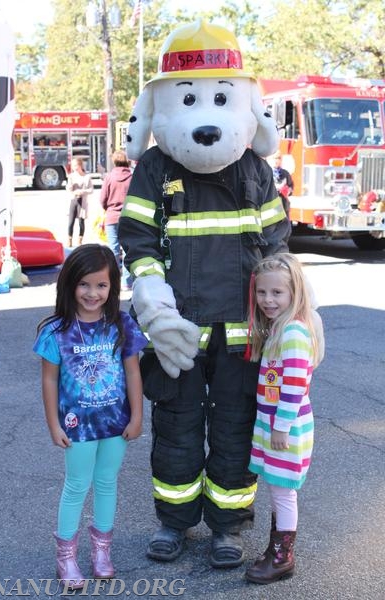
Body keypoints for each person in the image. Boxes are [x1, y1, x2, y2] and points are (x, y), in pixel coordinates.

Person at [119, 20, 291, 568]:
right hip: (179, 330)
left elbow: (278, 246)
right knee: (176, 427)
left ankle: (228, 526)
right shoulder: (154, 167)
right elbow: (137, 237)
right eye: (190, 98)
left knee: (237, 427)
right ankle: (174, 521)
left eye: (220, 97)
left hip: (243, 333)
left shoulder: (255, 170)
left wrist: (287, 316)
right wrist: (153, 301)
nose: (207, 118)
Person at [33, 244, 148, 590]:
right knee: (76, 485)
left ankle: (101, 552)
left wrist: (137, 416)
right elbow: (49, 379)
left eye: (101, 285)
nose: (92, 293)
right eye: (84, 284)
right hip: (76, 427)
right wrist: (53, 424)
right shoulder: (56, 331)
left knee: (107, 482)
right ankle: (66, 556)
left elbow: (132, 373)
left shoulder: (121, 324)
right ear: (69, 284)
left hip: (115, 423)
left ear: (113, 286)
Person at [244, 253, 323, 584]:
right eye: (262, 293)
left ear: (295, 294)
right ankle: (275, 549)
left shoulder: (292, 332)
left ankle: (282, 557)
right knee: (278, 491)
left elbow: (292, 386)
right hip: (277, 425)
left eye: (277, 293)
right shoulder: (280, 328)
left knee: (283, 492)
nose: (267, 300)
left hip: (285, 428)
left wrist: (280, 428)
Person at [99, 150, 133, 290]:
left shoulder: (109, 177)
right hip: (128, 217)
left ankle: (113, 282)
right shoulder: (132, 177)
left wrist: (108, 208)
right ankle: (127, 282)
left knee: (113, 251)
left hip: (111, 216)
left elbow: (102, 199)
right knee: (127, 251)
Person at [66, 157, 94, 248]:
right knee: (71, 221)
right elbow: (68, 189)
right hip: (73, 200)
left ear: (80, 165)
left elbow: (91, 189)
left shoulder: (86, 177)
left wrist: (82, 192)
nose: (74, 168)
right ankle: (69, 239)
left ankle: (80, 240)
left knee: (81, 222)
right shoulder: (71, 176)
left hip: (83, 201)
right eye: (73, 166)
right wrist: (71, 188)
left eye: (75, 166)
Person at [271, 151, 294, 217]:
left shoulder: (285, 173)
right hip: (273, 207)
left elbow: (291, 187)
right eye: (275, 158)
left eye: (278, 158)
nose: (276, 160)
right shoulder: (268, 173)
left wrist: (287, 190)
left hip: (284, 206)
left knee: (285, 225)